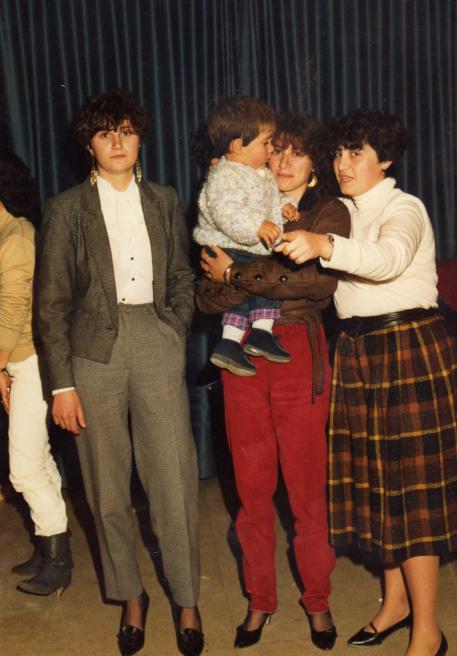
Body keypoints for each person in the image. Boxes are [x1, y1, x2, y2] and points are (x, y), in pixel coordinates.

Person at [275, 108, 457, 656]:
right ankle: (395, 603)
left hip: (407, 347)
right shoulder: (341, 210)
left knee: (413, 497)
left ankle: (428, 631)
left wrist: (324, 245)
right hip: (357, 350)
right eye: (338, 153)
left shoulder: (405, 208)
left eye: (357, 153)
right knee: (380, 488)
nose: (343, 163)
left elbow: (389, 258)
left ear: (387, 159)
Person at [37, 89, 203, 656]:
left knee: (173, 479)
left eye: (126, 132)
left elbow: (182, 275)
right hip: (92, 356)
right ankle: (131, 596)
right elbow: (51, 304)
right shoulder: (65, 209)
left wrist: (173, 327)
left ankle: (187, 599)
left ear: (139, 139)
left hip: (155, 341)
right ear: (89, 144)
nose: (117, 142)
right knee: (106, 487)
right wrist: (62, 384)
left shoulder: (164, 199)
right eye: (105, 133)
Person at [198, 112, 351, 651]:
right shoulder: (235, 204)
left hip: (299, 353)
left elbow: (313, 282)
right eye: (277, 149)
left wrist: (234, 274)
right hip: (240, 354)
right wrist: (240, 279)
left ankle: (318, 599)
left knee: (306, 489)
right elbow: (205, 295)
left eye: (297, 152)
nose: (283, 160)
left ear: (315, 166)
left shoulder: (327, 212)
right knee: (252, 488)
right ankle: (260, 599)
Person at [0, 149, 71, 596]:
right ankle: (50, 546)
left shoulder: (17, 235)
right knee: (38, 459)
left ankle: (59, 562)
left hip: (30, 361)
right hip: (17, 360)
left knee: (24, 469)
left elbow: (13, 310)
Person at [193, 96, 300, 377]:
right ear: (238, 146)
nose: (271, 149)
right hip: (230, 244)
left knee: (254, 292)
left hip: (246, 247)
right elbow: (226, 211)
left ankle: (247, 339)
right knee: (248, 293)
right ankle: (241, 338)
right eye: (266, 143)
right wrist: (256, 226)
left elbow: (266, 199)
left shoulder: (258, 173)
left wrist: (283, 205)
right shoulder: (225, 174)